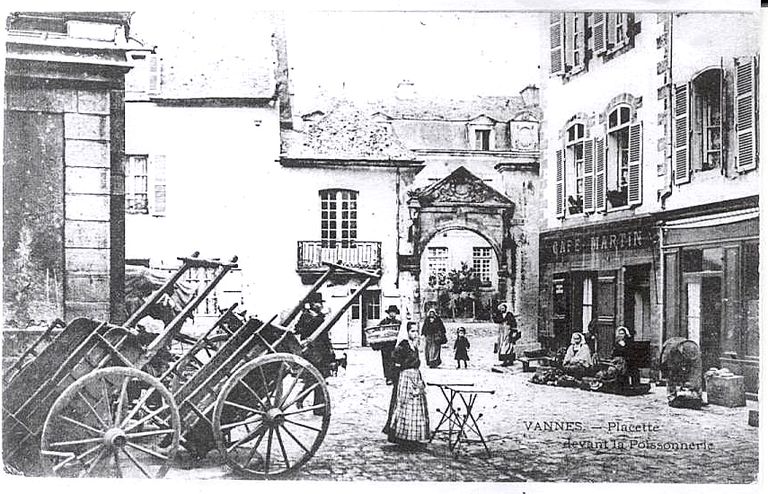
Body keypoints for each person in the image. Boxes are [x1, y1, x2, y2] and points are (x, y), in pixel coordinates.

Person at [383, 322, 430, 449]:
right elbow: (394, 360)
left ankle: (414, 437)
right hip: (406, 378)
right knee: (405, 406)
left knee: (416, 407)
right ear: (407, 332)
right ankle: (403, 437)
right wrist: (398, 373)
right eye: (412, 331)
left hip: (415, 376)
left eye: (416, 331)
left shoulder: (415, 345)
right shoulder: (403, 345)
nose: (415, 334)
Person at [295, 291, 334, 415]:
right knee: (315, 378)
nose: (320, 305)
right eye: (318, 303)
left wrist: (330, 350)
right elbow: (301, 328)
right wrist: (321, 317)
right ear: (312, 304)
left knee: (318, 379)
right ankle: (302, 399)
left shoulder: (316, 316)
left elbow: (324, 336)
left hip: (321, 351)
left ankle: (318, 407)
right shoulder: (306, 316)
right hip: (312, 352)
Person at [660, 337, 703, 409]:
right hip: (671, 354)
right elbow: (666, 366)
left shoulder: (695, 350)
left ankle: (697, 396)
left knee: (695, 375)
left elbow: (697, 372)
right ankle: (671, 396)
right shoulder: (670, 350)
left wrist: (695, 391)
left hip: (683, 353)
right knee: (671, 373)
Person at [372, 305, 401, 385]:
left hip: (395, 345)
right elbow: (377, 330)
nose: (393, 314)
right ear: (389, 313)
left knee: (395, 360)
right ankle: (388, 377)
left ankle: (395, 377)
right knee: (386, 361)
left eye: (394, 312)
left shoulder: (398, 322)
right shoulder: (383, 322)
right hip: (386, 346)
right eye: (391, 312)